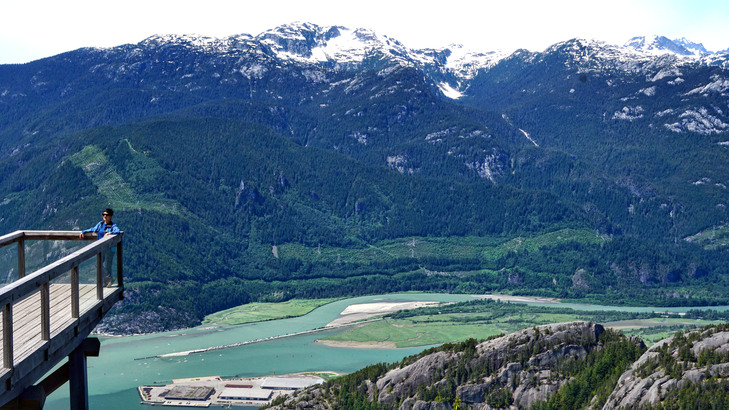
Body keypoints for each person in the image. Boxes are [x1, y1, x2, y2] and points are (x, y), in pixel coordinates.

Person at [80, 208, 121, 286]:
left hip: (110, 248)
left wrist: (109, 233)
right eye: (103, 214)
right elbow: (93, 229)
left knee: (108, 266)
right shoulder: (101, 224)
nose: (105, 216)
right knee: (98, 264)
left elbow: (117, 231)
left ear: (111, 216)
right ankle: (109, 279)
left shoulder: (113, 225)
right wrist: (83, 232)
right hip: (101, 248)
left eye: (107, 215)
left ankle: (107, 282)